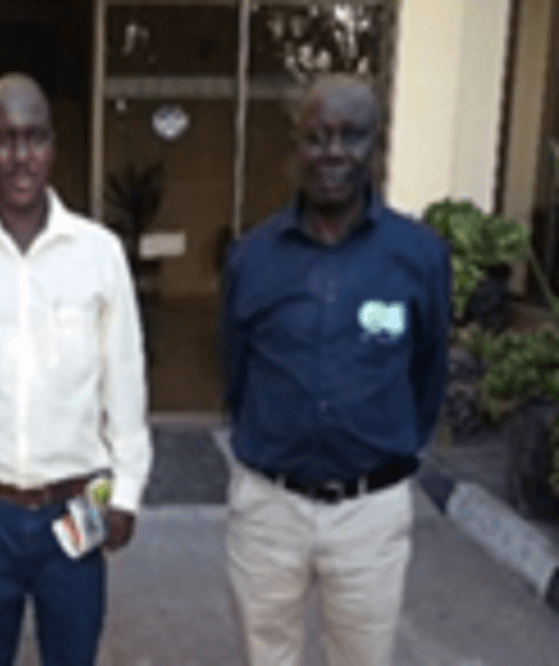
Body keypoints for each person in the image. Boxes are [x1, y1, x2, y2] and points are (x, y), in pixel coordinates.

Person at [0, 72, 152, 666]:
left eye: (35, 138)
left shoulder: (99, 254)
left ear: (54, 145)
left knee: (73, 655)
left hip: (79, 503)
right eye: (6, 139)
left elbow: (124, 379)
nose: (21, 157)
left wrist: (127, 491)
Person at [220, 73, 452, 666]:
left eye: (351, 136)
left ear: (377, 144)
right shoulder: (252, 257)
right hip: (269, 510)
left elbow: (428, 373)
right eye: (317, 135)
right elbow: (236, 377)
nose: (332, 152)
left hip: (369, 516)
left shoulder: (419, 256)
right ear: (297, 144)